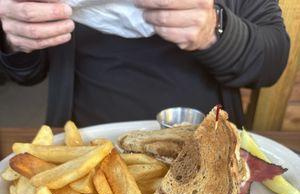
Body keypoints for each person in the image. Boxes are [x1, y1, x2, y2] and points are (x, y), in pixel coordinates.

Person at [0, 0, 290, 128]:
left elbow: (271, 63)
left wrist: (215, 29)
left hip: (205, 146)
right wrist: (14, 38)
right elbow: (25, 73)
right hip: (86, 149)